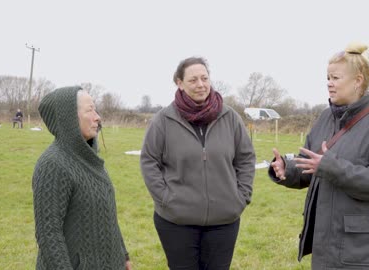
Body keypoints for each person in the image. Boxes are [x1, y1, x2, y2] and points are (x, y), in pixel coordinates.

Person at [268, 42, 369, 269]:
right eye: (327, 77)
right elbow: (311, 165)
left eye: (336, 78)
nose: (329, 83)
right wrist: (287, 169)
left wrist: (331, 167)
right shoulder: (324, 118)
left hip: (362, 246)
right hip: (325, 242)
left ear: (358, 81)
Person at [140, 57, 255, 270]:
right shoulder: (163, 120)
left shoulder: (230, 117)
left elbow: (246, 158)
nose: (200, 84)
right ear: (179, 83)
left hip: (224, 221)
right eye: (193, 80)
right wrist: (166, 199)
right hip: (176, 222)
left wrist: (241, 196)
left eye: (204, 78)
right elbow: (149, 161)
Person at [32, 86, 131, 270]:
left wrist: (123, 255)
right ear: (68, 118)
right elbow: (48, 234)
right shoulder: (53, 164)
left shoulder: (91, 158)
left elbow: (107, 213)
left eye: (96, 109)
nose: (97, 117)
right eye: (89, 110)